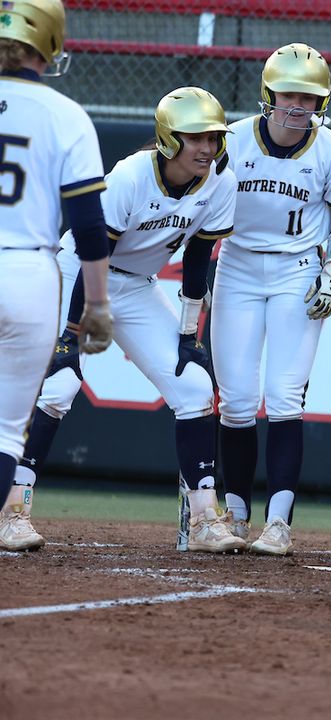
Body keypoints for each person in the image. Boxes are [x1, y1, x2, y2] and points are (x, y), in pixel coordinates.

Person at [13, 87, 243, 553]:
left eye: (213, 138)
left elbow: (199, 259)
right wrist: (69, 339)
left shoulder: (222, 180)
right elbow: (94, 251)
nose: (206, 148)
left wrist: (187, 333)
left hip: (137, 286)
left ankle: (203, 521)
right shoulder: (131, 177)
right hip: (78, 273)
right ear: (166, 137)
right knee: (59, 385)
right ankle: (12, 509)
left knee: (195, 386)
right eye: (194, 137)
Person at [211, 43, 331, 556]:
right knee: (233, 400)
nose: (298, 105)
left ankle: (278, 521)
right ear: (268, 94)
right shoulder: (230, 140)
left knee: (283, 397)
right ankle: (234, 510)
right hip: (237, 266)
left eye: (310, 96)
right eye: (289, 94)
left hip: (298, 269)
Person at [0, 0, 113, 551]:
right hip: (27, 270)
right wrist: (96, 305)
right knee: (4, 431)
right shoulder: (65, 114)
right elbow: (90, 227)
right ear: (49, 41)